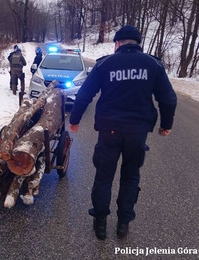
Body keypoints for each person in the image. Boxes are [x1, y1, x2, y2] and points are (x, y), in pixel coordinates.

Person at [68, 25, 177, 240]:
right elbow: (168, 98)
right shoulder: (153, 65)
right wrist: (166, 125)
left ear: (117, 43)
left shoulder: (105, 64)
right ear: (138, 43)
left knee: (104, 177)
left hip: (109, 130)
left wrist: (74, 120)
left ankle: (100, 224)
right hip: (137, 132)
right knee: (130, 177)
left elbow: (83, 95)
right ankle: (123, 224)